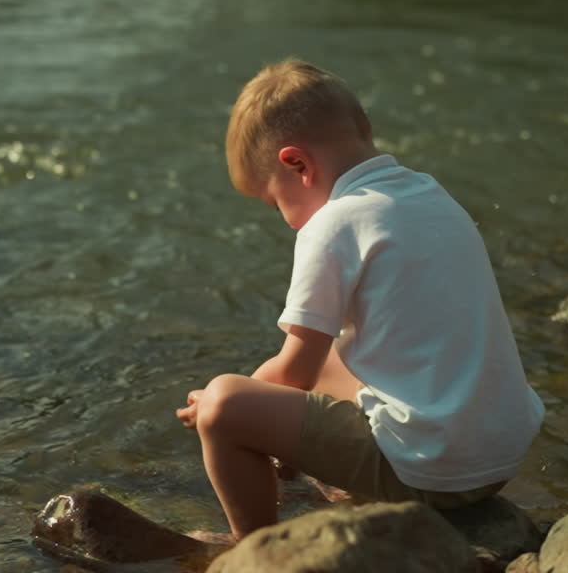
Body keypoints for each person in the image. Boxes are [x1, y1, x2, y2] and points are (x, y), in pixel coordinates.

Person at [176, 59, 545, 541]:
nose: (284, 219)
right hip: (498, 458)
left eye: (274, 202)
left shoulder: (332, 225)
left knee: (227, 405)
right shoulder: (429, 194)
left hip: (431, 473)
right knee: (335, 357)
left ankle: (256, 548)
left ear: (297, 165)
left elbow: (294, 374)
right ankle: (331, 478)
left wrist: (212, 405)